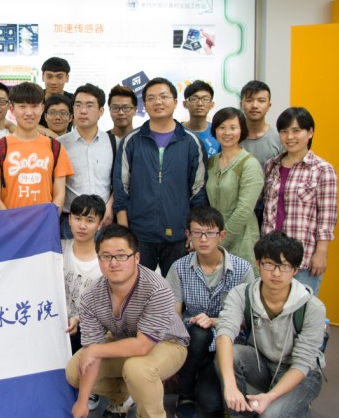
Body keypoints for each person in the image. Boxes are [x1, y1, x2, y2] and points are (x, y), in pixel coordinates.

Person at [66, 224, 189, 418]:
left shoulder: (157, 288)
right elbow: (91, 353)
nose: (114, 263)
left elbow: (142, 346)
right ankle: (121, 396)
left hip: (168, 342)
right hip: (121, 340)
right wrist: (82, 400)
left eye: (121, 255)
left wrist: (95, 350)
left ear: (136, 258)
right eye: (106, 256)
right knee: (74, 371)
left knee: (137, 369)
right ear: (99, 259)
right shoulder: (91, 296)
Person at [212, 231, 326, 418]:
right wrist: (230, 386)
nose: (276, 273)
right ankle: (240, 415)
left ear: (295, 270)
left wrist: (270, 397)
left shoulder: (312, 307)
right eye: (269, 264)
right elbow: (224, 334)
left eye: (285, 266)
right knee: (231, 353)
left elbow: (302, 363)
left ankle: (299, 412)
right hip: (263, 363)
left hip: (300, 372)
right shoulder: (241, 294)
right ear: (258, 264)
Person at [165, 206, 255, 418]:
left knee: (210, 402)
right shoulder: (179, 268)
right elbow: (172, 314)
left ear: (221, 235)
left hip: (226, 345)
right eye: (197, 233)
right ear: (188, 235)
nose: (203, 239)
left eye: (210, 233)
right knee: (199, 331)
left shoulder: (242, 269)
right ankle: (185, 395)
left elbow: (248, 319)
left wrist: (215, 321)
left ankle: (199, 378)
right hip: (191, 340)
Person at [113, 77, 208, 276]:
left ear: (175, 102)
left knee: (177, 290)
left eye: (164, 97)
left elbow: (198, 192)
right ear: (144, 105)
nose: (158, 102)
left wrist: (195, 232)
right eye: (151, 98)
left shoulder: (191, 142)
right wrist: (125, 234)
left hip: (179, 235)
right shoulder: (131, 141)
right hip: (139, 235)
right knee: (137, 288)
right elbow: (121, 190)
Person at [261, 107, 337, 295]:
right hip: (269, 256)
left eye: (296, 131)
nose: (289, 137)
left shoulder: (322, 169)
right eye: (284, 131)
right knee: (270, 307)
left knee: (301, 307)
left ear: (310, 132)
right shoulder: (271, 165)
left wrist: (321, 253)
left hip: (303, 258)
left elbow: (327, 217)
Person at [0, 82, 74, 211]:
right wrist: (10, 221)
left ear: (42, 108)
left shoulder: (55, 147)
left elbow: (59, 194)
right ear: (11, 109)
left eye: (34, 106)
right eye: (22, 106)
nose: (29, 112)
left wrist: (50, 219)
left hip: (45, 221)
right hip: (9, 221)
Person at [206, 107, 264, 270]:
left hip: (242, 240)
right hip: (212, 238)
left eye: (233, 128)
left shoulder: (249, 164)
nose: (227, 133)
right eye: (222, 127)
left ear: (241, 130)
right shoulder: (211, 162)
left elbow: (244, 210)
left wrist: (219, 241)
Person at [58, 84, 115, 239]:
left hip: (103, 221)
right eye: (78, 105)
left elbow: (120, 182)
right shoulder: (59, 144)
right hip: (69, 222)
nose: (83, 111)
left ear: (101, 111)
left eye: (89, 106)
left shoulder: (113, 142)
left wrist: (110, 205)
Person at [62, 194, 106, 356]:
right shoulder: (58, 250)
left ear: (100, 224)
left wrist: (80, 319)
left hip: (87, 331)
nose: (82, 226)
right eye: (77, 218)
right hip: (56, 325)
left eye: (89, 220)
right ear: (69, 219)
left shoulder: (106, 262)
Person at [239, 80, 282, 169]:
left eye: (261, 101)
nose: (255, 105)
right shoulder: (232, 136)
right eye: (249, 100)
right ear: (241, 105)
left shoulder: (279, 138)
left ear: (269, 106)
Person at [182, 80, 220, 159]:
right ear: (185, 104)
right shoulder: (175, 132)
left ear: (212, 104)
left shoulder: (218, 132)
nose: (200, 104)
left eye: (205, 99)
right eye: (194, 99)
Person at [38, 56, 73, 129]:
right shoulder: (34, 99)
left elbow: (79, 127)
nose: (53, 82)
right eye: (49, 77)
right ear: (43, 77)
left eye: (59, 77)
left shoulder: (74, 100)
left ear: (67, 78)